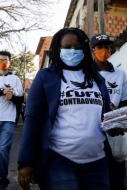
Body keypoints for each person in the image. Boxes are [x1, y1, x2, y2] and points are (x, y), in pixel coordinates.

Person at [17, 27, 113, 190]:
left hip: (98, 162)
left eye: (77, 47)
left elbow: (106, 116)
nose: (72, 51)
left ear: (84, 49)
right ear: (57, 50)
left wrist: (115, 125)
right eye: (67, 47)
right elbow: (32, 119)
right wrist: (26, 162)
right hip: (60, 161)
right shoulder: (46, 77)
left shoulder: (97, 79)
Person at [91, 33, 127, 190]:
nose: (104, 50)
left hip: (114, 133)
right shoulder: (84, 75)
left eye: (107, 47)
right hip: (90, 136)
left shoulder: (120, 74)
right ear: (93, 50)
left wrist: (115, 118)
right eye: (100, 47)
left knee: (116, 180)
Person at [0, 51, 24, 190]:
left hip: (8, 120)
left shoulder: (15, 79)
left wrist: (12, 97)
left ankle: (2, 180)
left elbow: (21, 99)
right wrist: (1, 92)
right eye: (0, 59)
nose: (3, 62)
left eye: (5, 60)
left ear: (9, 62)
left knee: (2, 150)